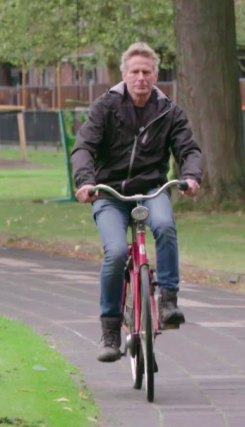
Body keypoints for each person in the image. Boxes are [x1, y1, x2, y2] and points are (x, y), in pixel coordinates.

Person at [71, 42, 203, 363]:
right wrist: (85, 182)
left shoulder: (169, 111)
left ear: (156, 75)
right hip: (110, 193)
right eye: (135, 72)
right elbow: (84, 148)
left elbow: (189, 149)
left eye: (147, 72)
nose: (141, 78)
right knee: (115, 252)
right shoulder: (105, 107)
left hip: (152, 190)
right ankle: (110, 329)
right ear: (124, 75)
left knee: (165, 226)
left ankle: (168, 299)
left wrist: (191, 176)